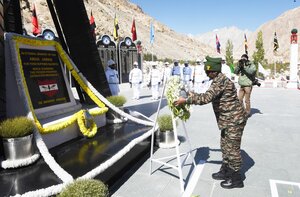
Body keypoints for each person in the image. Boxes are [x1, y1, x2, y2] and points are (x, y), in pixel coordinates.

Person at [175, 56, 248, 189]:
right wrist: (192, 94)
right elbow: (207, 94)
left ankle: (236, 178)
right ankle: (226, 170)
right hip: (228, 120)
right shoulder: (217, 80)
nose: (207, 74)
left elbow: (206, 98)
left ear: (214, 71)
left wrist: (186, 101)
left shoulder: (220, 82)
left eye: (208, 72)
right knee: (225, 146)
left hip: (234, 120)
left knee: (233, 150)